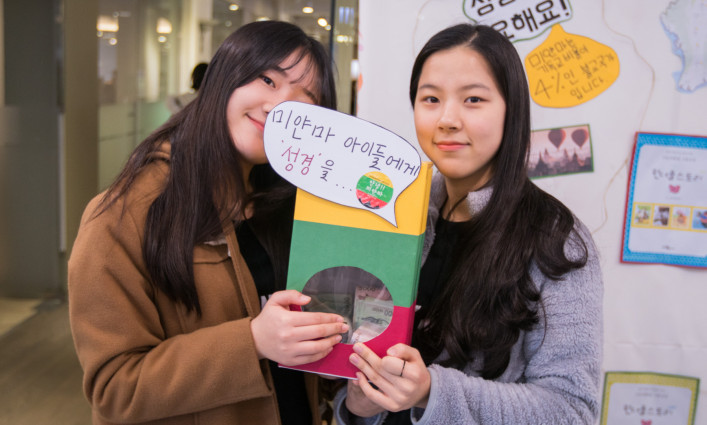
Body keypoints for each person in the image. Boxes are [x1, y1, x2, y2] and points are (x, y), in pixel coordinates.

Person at [68, 21, 346, 425]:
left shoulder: (285, 205)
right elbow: (114, 390)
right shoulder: (123, 215)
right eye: (268, 80)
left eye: (305, 100)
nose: (279, 108)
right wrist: (252, 341)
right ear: (222, 78)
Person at [333, 23, 603, 424]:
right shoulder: (392, 211)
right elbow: (361, 358)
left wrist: (431, 392)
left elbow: (572, 409)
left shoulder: (556, 238)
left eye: (473, 99)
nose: (447, 119)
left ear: (511, 110)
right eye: (430, 99)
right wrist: (356, 406)